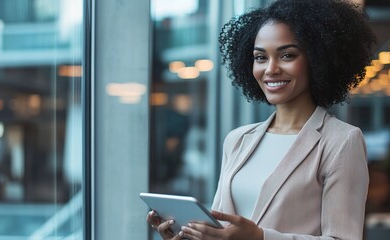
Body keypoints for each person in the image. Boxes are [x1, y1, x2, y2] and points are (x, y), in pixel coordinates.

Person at [146, 0, 376, 239]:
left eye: (287, 55)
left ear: (318, 58)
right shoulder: (237, 140)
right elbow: (221, 231)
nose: (271, 69)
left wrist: (260, 237)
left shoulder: (341, 141)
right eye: (260, 57)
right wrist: (183, 234)